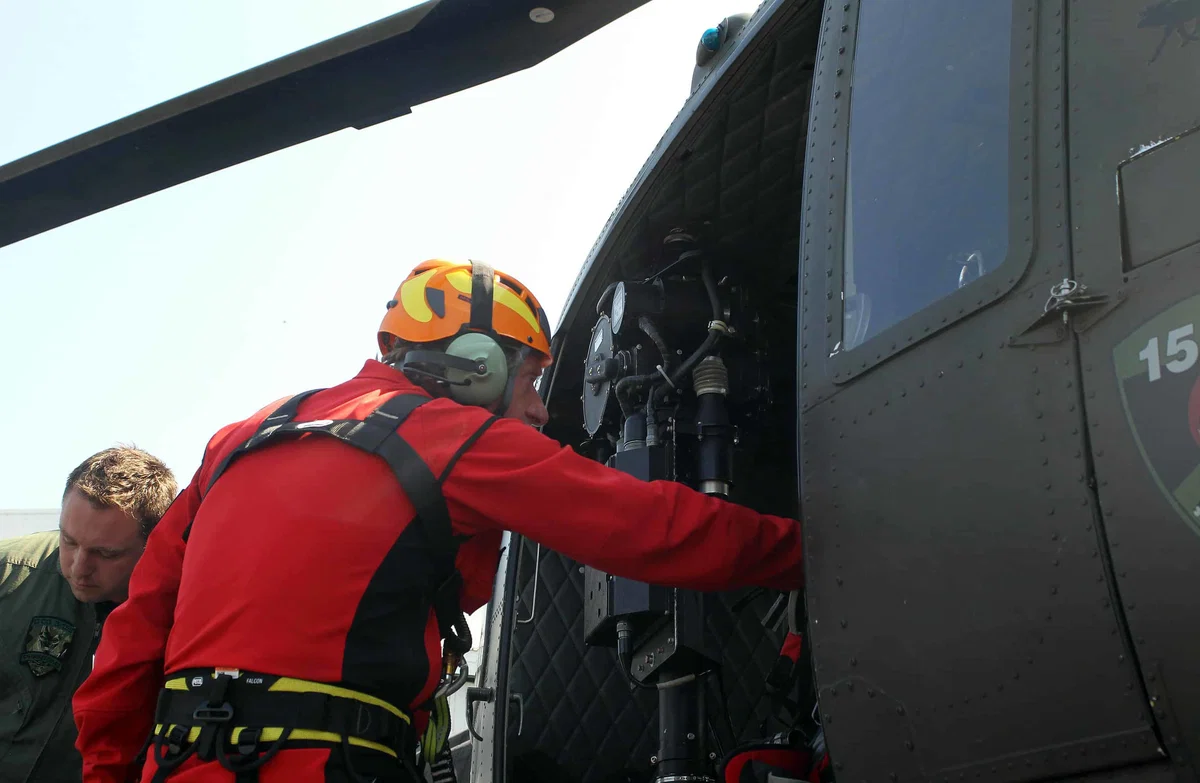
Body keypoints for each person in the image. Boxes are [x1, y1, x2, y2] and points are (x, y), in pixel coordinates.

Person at [73, 259, 806, 783]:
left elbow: (130, 645)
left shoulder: (239, 437)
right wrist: (814, 550)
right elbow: (652, 527)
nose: (539, 410)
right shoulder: (451, 437)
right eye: (528, 380)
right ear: (472, 366)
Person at [0, 446, 178, 783]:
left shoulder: (184, 615)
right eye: (68, 541)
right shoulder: (7, 575)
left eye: (106, 554)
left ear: (154, 544)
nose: (79, 568)